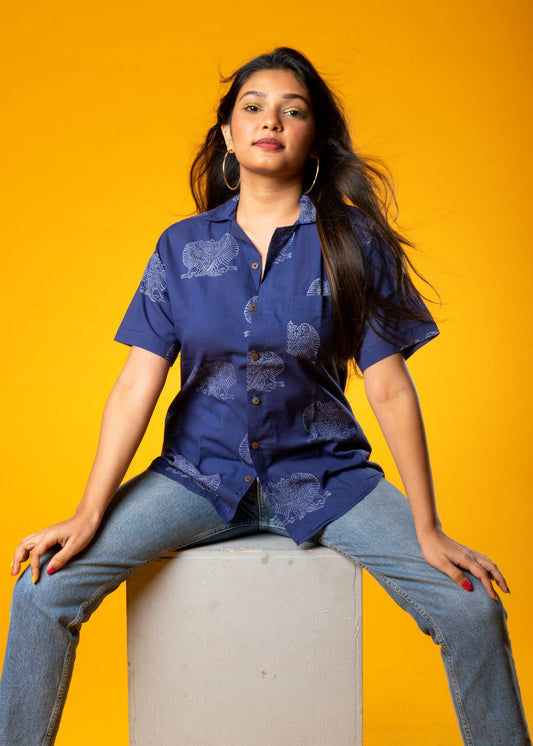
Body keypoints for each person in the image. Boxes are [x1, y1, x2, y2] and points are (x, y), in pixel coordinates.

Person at [0, 46, 530, 746]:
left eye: (292, 110)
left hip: (326, 477)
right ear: (228, 133)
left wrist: (428, 528)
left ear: (314, 137)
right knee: (42, 589)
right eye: (252, 107)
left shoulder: (354, 242)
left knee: (471, 609)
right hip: (197, 477)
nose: (270, 120)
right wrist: (89, 512)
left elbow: (389, 386)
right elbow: (136, 384)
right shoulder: (181, 248)